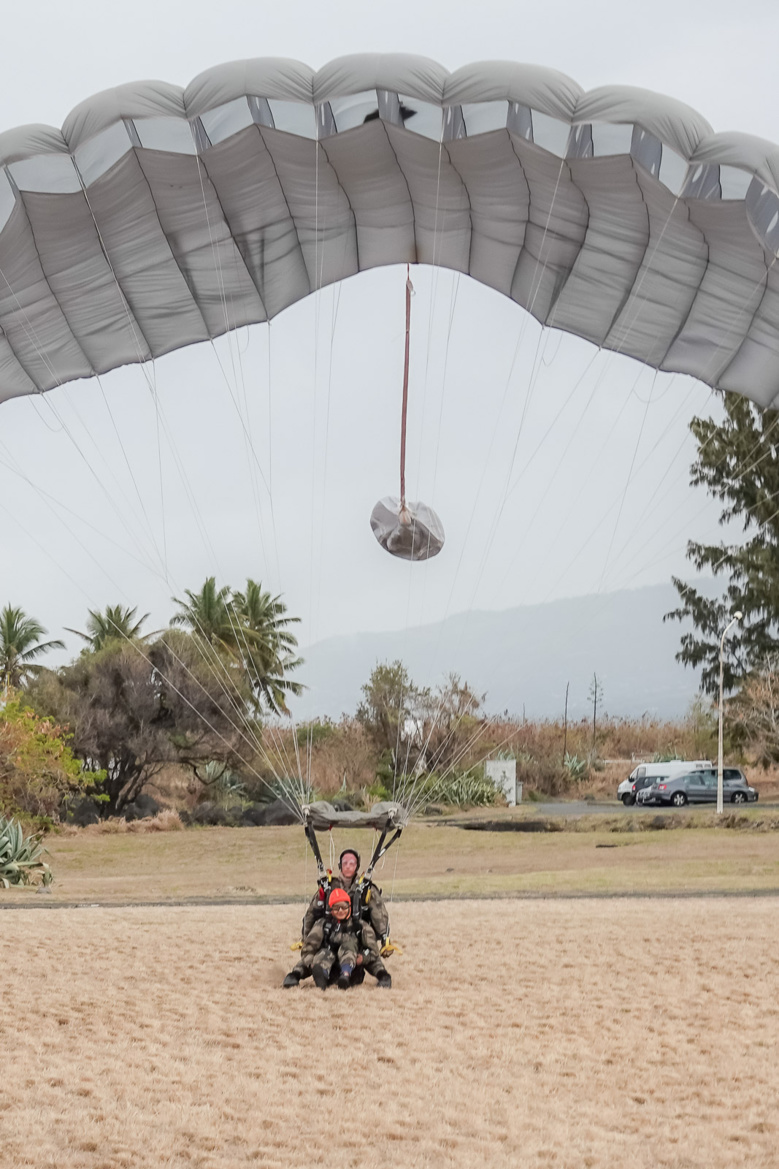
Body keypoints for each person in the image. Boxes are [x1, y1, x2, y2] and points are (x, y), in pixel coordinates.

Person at [284, 886, 392, 990]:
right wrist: (311, 964)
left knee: (372, 959)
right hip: (326, 962)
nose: (340, 911)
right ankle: (296, 976)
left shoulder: (361, 926)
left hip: (353, 966)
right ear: (331, 910)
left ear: (350, 907)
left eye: (344, 907)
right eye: (336, 908)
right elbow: (308, 949)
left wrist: (363, 958)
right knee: (312, 958)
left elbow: (373, 951)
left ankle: (383, 977)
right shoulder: (322, 925)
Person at [301, 847, 390, 944]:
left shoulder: (367, 889)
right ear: (340, 865)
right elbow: (311, 912)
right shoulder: (329, 886)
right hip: (330, 933)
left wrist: (384, 938)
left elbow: (379, 913)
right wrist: (305, 937)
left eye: (352, 863)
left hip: (358, 935)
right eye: (345, 863)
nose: (348, 866)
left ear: (357, 866)